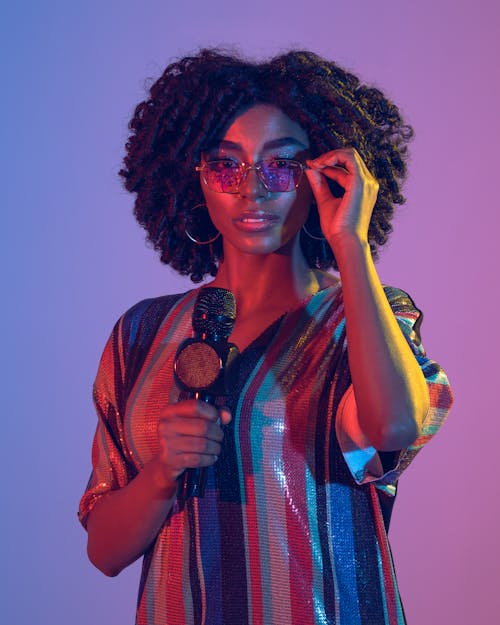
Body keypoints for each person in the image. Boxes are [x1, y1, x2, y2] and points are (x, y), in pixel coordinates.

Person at [79, 49, 453, 625]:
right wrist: (162, 470)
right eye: (226, 165)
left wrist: (350, 243)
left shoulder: (365, 314)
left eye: (282, 166)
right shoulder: (140, 335)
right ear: (193, 176)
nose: (252, 190)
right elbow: (104, 551)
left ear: (326, 174)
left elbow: (395, 427)